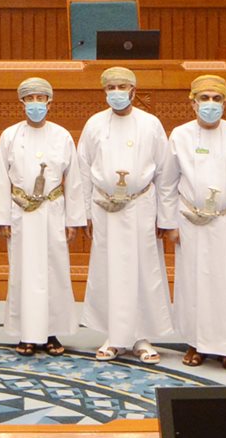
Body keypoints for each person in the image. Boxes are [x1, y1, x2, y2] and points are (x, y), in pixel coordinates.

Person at [160, 73, 226, 370]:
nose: (210, 104)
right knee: (195, 283)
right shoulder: (180, 135)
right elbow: (167, 183)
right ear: (192, 103)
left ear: (225, 103)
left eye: (216, 99)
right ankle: (195, 343)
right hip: (190, 221)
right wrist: (169, 223)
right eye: (204, 99)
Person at [74, 65, 173, 363]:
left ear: (133, 90)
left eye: (122, 87)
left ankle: (141, 337)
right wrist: (86, 214)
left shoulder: (151, 124)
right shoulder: (94, 125)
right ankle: (113, 336)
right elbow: (83, 169)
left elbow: (164, 173)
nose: (116, 93)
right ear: (104, 92)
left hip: (141, 205)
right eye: (110, 88)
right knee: (110, 269)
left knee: (143, 269)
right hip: (105, 209)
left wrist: (164, 217)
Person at [0, 76, 84, 357]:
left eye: (40, 99)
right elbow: (3, 179)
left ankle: (52, 333)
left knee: (54, 272)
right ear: (22, 102)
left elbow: (75, 179)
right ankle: (27, 334)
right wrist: (3, 218)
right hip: (21, 213)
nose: (35, 104)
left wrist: (73, 219)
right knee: (24, 272)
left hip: (53, 211)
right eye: (29, 99)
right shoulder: (10, 135)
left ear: (49, 102)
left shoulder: (62, 136)